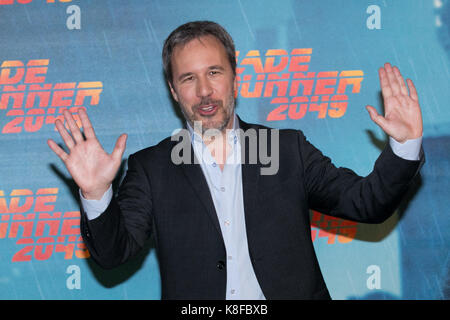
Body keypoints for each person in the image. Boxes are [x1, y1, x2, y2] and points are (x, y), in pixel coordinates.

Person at [47, 21, 424, 300]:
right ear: (174, 92)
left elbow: (366, 203)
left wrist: (404, 147)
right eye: (188, 79)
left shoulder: (285, 149)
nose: (204, 91)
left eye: (214, 72)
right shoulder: (151, 168)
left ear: (235, 78)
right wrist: (97, 194)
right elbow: (114, 254)